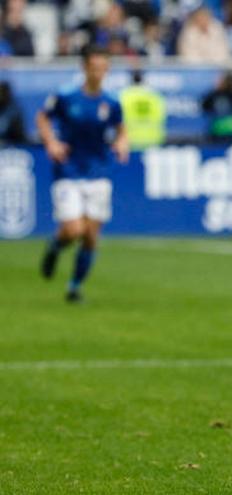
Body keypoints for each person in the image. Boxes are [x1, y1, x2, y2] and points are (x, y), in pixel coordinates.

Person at [36, 45, 128, 303]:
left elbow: (121, 128)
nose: (98, 72)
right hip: (68, 168)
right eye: (94, 67)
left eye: (103, 68)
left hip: (99, 170)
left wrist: (122, 143)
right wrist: (51, 143)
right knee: (73, 229)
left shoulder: (111, 101)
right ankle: (55, 247)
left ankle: (74, 287)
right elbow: (43, 118)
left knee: (90, 236)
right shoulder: (66, 95)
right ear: (84, 68)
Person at [120, 69, 166, 150]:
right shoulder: (155, 96)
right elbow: (161, 117)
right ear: (144, 80)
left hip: (131, 140)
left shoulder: (124, 96)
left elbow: (119, 119)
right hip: (153, 140)